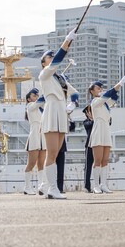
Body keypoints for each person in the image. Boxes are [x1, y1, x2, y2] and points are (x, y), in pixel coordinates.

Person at [38, 29, 79, 199]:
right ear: (44, 62)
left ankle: (47, 185)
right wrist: (66, 41)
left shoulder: (60, 78)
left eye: (52, 55)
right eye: (49, 56)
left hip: (62, 112)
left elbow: (74, 92)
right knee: (52, 152)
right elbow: (57, 60)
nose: (52, 57)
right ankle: (52, 188)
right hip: (52, 110)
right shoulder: (45, 74)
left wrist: (72, 104)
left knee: (56, 152)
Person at [88, 74, 125, 194]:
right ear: (92, 91)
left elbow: (114, 97)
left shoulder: (104, 103)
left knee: (105, 160)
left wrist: (122, 85)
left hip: (106, 129)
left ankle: (104, 184)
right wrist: (120, 83)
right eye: (98, 88)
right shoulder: (95, 102)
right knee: (97, 160)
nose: (100, 90)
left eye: (101, 88)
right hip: (98, 129)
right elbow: (109, 93)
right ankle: (96, 185)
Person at [23, 88, 46, 195]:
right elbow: (40, 101)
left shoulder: (42, 109)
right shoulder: (30, 106)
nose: (36, 97)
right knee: (31, 163)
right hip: (34, 136)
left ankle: (41, 186)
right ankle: (27, 187)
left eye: (37, 95)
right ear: (28, 99)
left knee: (41, 163)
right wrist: (47, 89)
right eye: (33, 95)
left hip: (42, 136)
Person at [82, 105, 94, 193]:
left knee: (98, 166)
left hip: (98, 144)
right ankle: (87, 186)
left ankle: (99, 184)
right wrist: (92, 119)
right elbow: (90, 124)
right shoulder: (86, 122)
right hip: (89, 146)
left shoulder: (98, 120)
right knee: (88, 167)